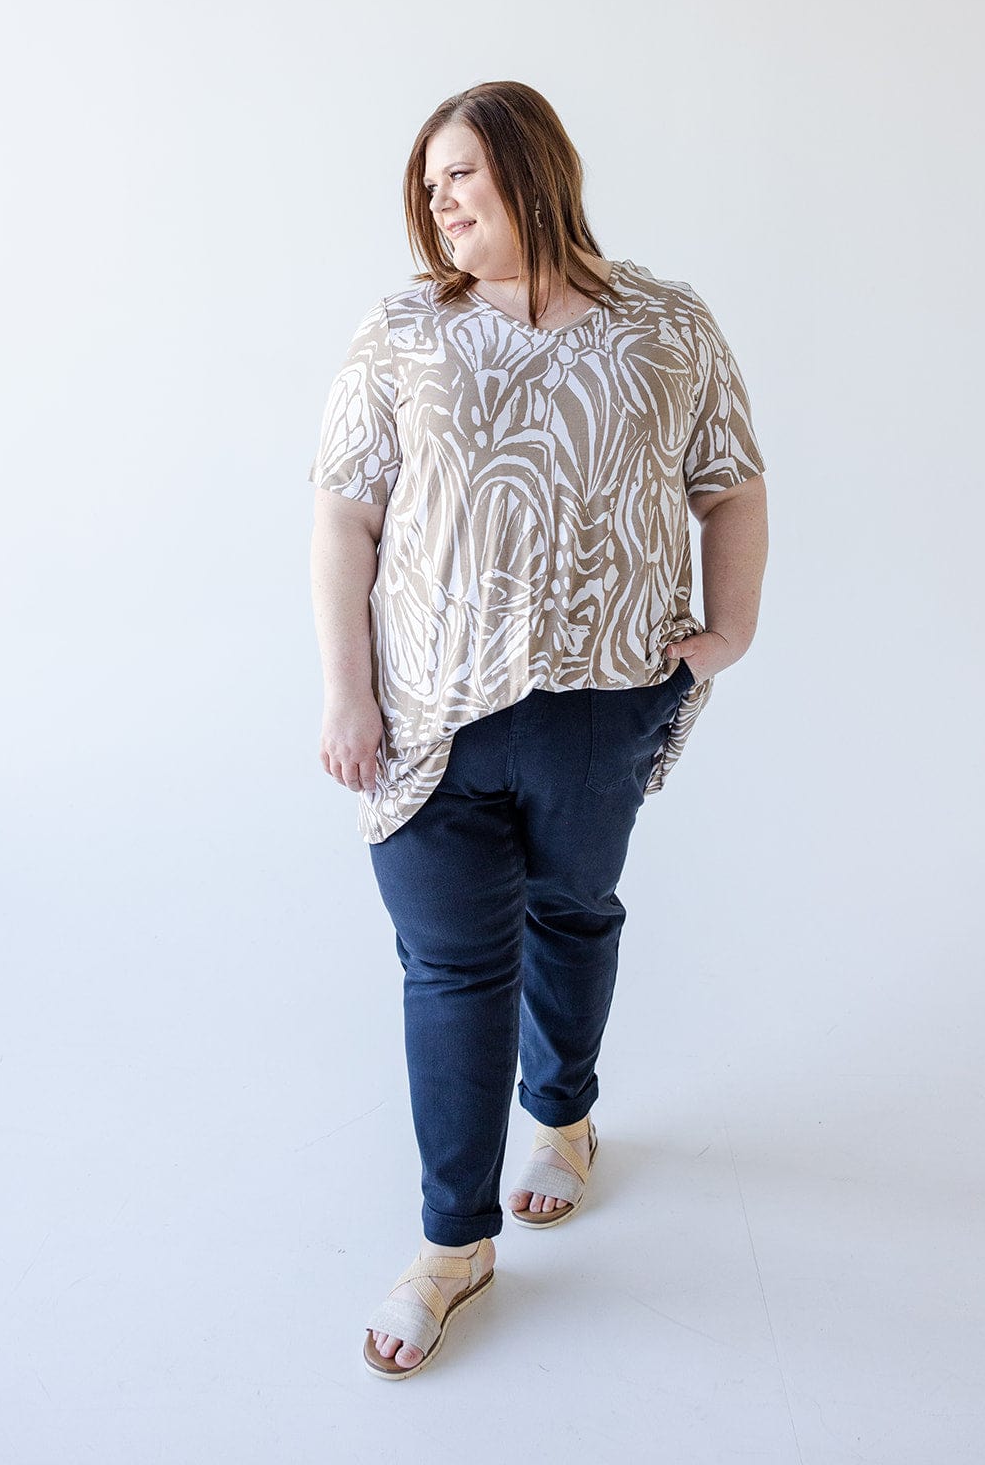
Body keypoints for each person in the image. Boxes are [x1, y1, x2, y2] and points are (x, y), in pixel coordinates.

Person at [307, 80, 769, 1379]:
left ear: (531, 169)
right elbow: (343, 518)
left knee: (573, 912)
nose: (439, 198)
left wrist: (725, 634)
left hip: (597, 703)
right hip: (427, 718)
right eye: (429, 180)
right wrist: (348, 694)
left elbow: (731, 483)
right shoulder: (402, 330)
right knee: (452, 968)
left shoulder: (663, 323)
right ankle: (452, 1244)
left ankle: (563, 1119)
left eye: (461, 172)